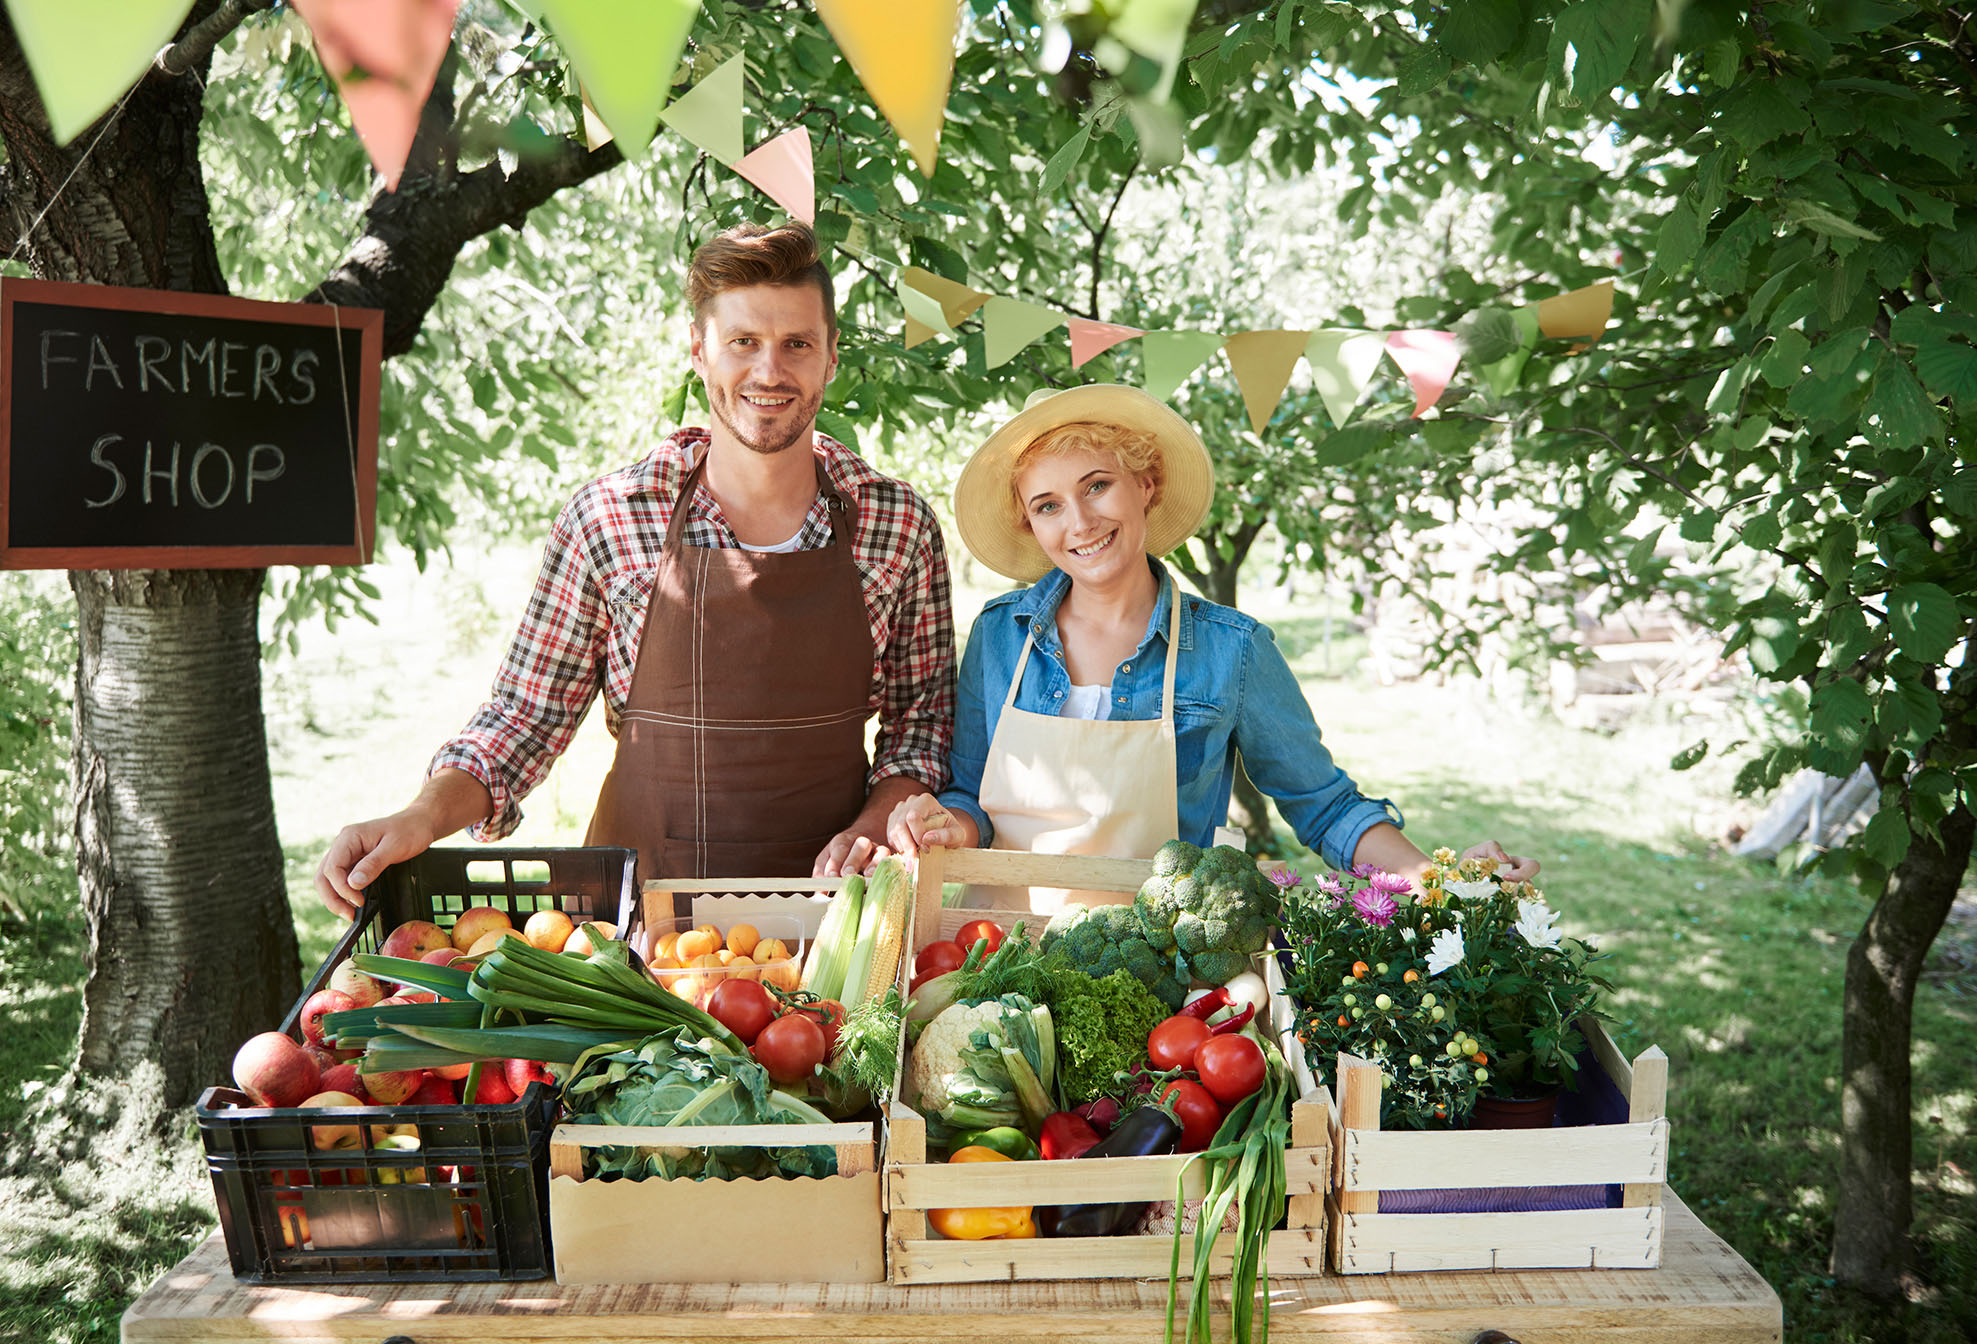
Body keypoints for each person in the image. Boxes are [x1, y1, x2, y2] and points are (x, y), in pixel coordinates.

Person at [316, 222, 955, 915]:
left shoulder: (897, 525)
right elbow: (523, 718)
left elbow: (922, 725)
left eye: (796, 344)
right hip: (639, 921)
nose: (770, 371)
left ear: (831, 357)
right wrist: (420, 818)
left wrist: (873, 829)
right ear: (699, 351)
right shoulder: (612, 517)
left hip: (833, 917)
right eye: (743, 342)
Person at [883, 383, 1535, 908]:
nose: (1079, 523)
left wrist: (1435, 878)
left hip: (1160, 969)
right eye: (1048, 505)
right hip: (997, 943)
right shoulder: (1001, 634)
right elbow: (972, 796)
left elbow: (1326, 807)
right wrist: (946, 823)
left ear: (1146, 485)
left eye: (1096, 486)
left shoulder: (1233, 651)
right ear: (1031, 523)